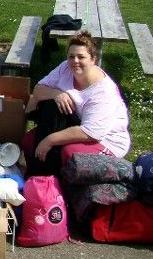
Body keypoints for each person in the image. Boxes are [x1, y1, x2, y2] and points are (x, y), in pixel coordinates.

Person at [22, 30, 131, 175]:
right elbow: (38, 89)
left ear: (93, 59)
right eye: (71, 56)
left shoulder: (103, 92)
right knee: (29, 141)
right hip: (76, 123)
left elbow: (91, 133)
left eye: (81, 57)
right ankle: (40, 180)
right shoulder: (65, 68)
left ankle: (57, 185)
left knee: (70, 154)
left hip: (105, 139)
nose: (75, 61)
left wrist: (49, 140)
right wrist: (56, 94)